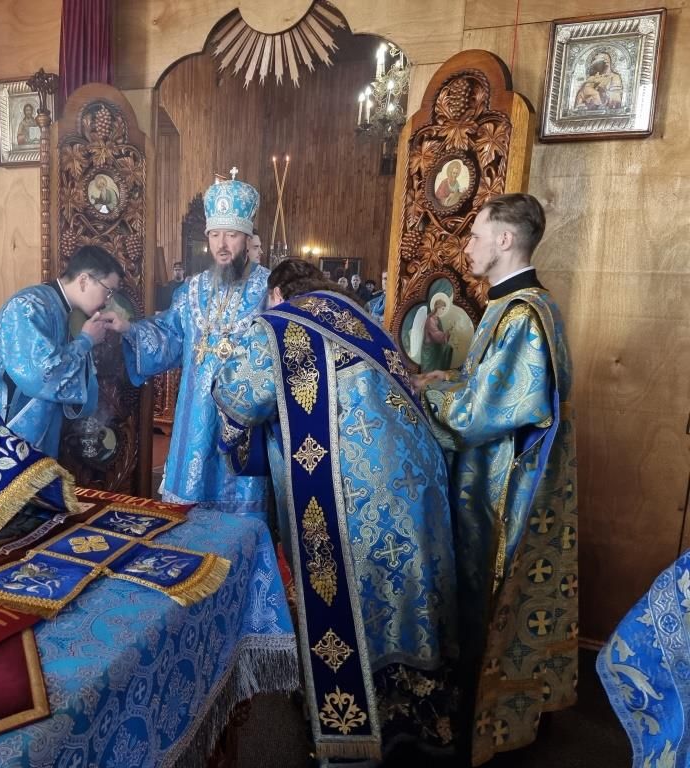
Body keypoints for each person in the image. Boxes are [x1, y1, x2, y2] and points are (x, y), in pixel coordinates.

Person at [212, 259, 458, 760]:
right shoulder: (358, 315)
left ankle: (354, 723)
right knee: (408, 595)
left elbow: (239, 397)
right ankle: (420, 716)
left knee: (352, 596)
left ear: (277, 293)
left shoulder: (280, 325)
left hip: (353, 491)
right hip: (417, 480)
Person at [414, 194, 577, 766]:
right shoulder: (508, 305)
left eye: (476, 235)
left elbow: (484, 411)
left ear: (505, 240)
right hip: (491, 476)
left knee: (494, 594)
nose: (468, 246)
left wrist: (425, 395)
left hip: (507, 489)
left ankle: (485, 723)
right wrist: (445, 379)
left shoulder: (525, 315)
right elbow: (486, 384)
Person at [101, 170, 270, 516]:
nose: (222, 245)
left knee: (239, 512)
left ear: (247, 237)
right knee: (187, 512)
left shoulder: (269, 290)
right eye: (215, 235)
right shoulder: (193, 289)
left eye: (232, 235)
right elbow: (169, 336)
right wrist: (129, 329)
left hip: (243, 420)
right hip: (195, 415)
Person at [0, 245, 124, 458]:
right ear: (84, 280)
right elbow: (41, 376)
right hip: (3, 425)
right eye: (108, 290)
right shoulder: (29, 305)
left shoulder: (58, 308)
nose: (108, 301)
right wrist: (86, 341)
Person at [421, 297, 453, 371]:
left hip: (436, 344)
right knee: (447, 348)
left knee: (449, 348)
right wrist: (446, 333)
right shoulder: (431, 319)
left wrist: (448, 332)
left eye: (444, 309)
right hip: (430, 347)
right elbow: (435, 334)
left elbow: (439, 332)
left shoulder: (437, 319)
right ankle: (439, 371)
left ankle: (443, 371)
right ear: (438, 308)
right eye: (442, 309)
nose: (443, 311)